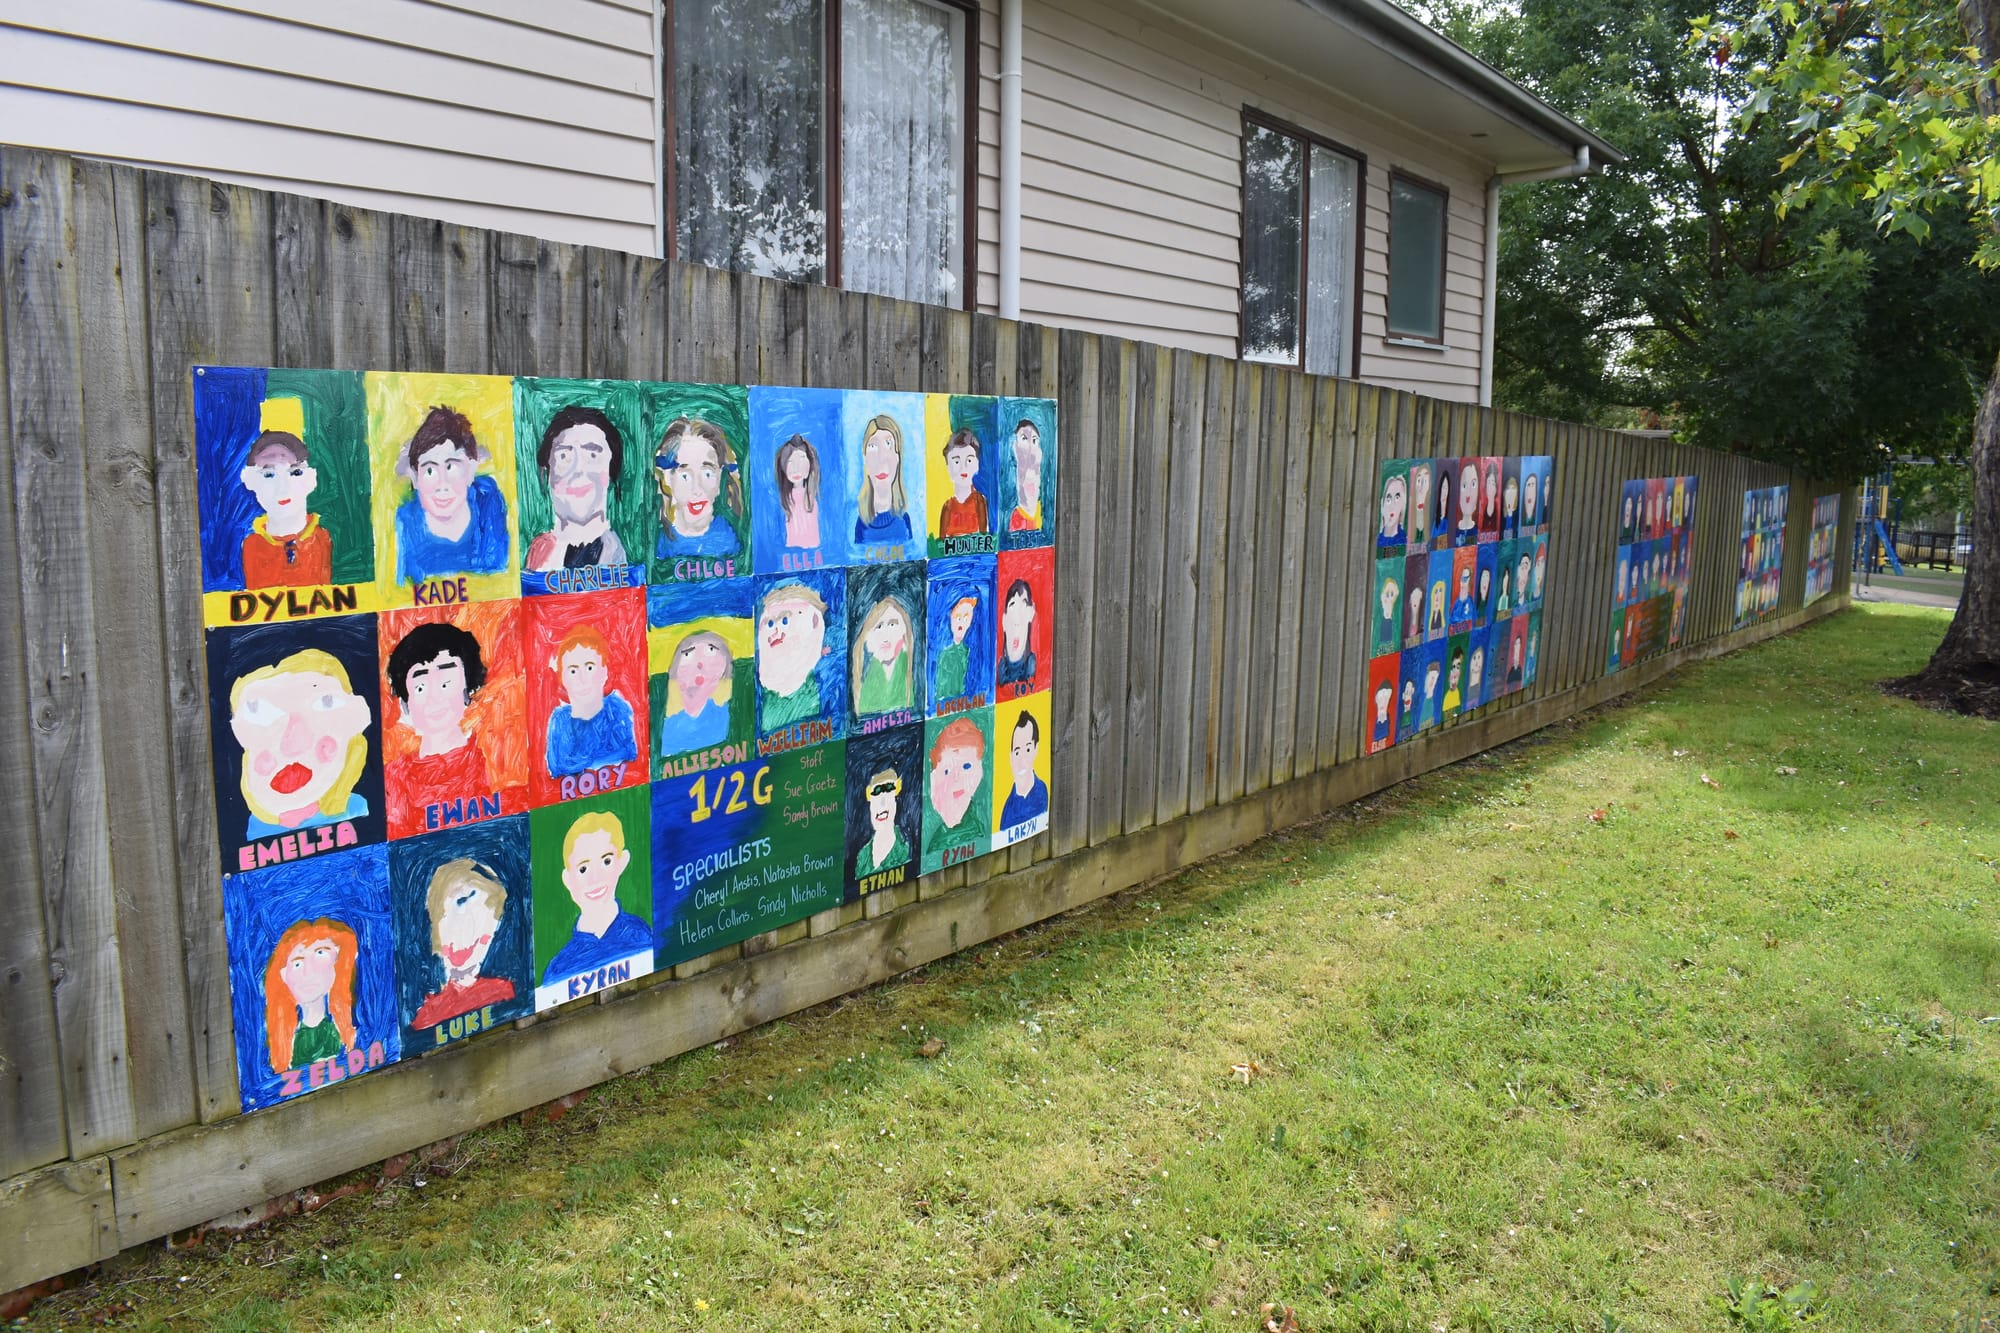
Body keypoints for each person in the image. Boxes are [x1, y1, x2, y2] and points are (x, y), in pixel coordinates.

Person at [230, 648, 372, 839]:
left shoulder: (358, 812)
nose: (293, 745)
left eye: (325, 701)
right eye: (258, 709)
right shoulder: (253, 832)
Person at [395, 406, 510, 584]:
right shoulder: (406, 524)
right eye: (430, 470)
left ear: (470, 470)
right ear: (415, 478)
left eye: (451, 467)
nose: (442, 485)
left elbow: (499, 577)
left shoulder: (488, 500)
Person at [385, 621, 491, 810]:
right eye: (420, 687)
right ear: (405, 703)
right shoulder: (395, 780)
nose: (434, 698)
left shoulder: (489, 765)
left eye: (445, 683)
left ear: (468, 689)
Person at [542, 811, 650, 985]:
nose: (595, 879)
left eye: (606, 862)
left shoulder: (641, 935)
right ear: (567, 879)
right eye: (583, 869)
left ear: (622, 862)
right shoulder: (558, 968)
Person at [411, 859, 516, 1028]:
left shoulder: (503, 992)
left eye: (483, 938)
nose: (464, 943)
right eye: (460, 903)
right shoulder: (427, 1014)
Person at [527, 406, 627, 571]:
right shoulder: (539, 555)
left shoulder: (617, 556)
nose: (578, 469)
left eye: (592, 455)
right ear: (547, 472)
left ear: (611, 469)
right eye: (564, 456)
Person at [238, 416, 333, 588]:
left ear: (311, 478)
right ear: (250, 480)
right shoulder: (252, 546)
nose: (283, 488)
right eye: (269, 475)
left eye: (295, 473)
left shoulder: (324, 539)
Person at [263, 918, 358, 1073]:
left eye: (320, 953)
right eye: (297, 963)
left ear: (338, 961)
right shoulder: (288, 1044)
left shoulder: (348, 1032)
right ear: (284, 975)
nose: (308, 972)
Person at [543, 626, 638, 777]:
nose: (582, 679)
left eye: (589, 668)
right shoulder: (559, 723)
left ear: (604, 671)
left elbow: (629, 758)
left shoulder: (617, 713)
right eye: (573, 671)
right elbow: (557, 771)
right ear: (563, 679)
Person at [655, 417, 744, 559]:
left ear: (720, 475)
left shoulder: (730, 541)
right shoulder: (658, 543)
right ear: (667, 478)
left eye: (707, 474)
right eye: (685, 476)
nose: (697, 489)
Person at [757, 582, 830, 729]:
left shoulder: (826, 681)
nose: (776, 632)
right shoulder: (762, 693)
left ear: (815, 622)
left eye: (785, 621)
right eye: (770, 624)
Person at [655, 629, 733, 757]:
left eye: (711, 651)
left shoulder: (725, 717)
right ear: (675, 674)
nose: (700, 664)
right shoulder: (669, 728)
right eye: (688, 654)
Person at [924, 717, 987, 847]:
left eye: (966, 767)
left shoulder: (976, 829)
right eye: (947, 770)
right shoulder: (937, 833)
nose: (956, 778)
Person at [854, 414, 913, 546]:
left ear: (898, 458)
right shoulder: (861, 525)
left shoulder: (904, 521)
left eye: (888, 444)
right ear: (865, 458)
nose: (882, 458)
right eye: (873, 446)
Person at [853, 596, 916, 715]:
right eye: (879, 627)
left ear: (904, 629)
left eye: (893, 624)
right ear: (866, 637)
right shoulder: (870, 676)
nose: (886, 637)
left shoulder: (907, 671)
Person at [856, 768, 910, 877]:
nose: (882, 802)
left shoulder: (905, 850)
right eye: (876, 792)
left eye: (889, 788)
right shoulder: (863, 855)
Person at [999, 711, 1049, 829]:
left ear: (1036, 749)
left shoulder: (1041, 793)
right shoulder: (1007, 810)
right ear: (1011, 756)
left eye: (1027, 749)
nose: (1022, 759)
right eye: (1017, 752)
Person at [774, 434, 822, 551]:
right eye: (790, 462)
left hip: (811, 549)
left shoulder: (811, 499)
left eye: (801, 460)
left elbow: (813, 535)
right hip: (793, 550)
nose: (796, 468)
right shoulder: (786, 500)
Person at [938, 429, 989, 536]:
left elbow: (985, 539)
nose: (963, 467)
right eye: (956, 461)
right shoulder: (947, 507)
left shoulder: (979, 501)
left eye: (969, 460)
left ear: (976, 464)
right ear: (948, 466)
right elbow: (941, 544)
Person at [933, 595, 977, 700]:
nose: (961, 622)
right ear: (951, 617)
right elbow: (940, 692)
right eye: (958, 617)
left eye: (966, 618)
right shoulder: (944, 655)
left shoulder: (969, 652)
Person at [997, 578, 1037, 687]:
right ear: (1004, 620)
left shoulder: (1031, 666)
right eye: (1012, 604)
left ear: (1031, 612)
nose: (1017, 611)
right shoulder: (1000, 669)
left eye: (1023, 603)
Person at [1008, 419, 1045, 531]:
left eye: (1034, 440)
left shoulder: (1043, 509)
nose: (1030, 446)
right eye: (1024, 438)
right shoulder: (1017, 516)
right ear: (1015, 446)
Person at [1377, 471, 1407, 551]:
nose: (1392, 505)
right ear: (1382, 505)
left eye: (1397, 498)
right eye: (1388, 499)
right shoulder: (1377, 541)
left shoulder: (1404, 542)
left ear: (1402, 505)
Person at [1453, 461, 1480, 545]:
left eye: (1473, 484)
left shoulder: (1478, 532)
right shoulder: (1452, 530)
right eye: (1464, 486)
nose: (1468, 494)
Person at [1407, 461, 1432, 546]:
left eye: (1425, 481)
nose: (1421, 486)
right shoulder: (1410, 515)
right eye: (1418, 481)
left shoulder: (1430, 515)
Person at [1375, 573, 1401, 652]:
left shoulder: (1395, 623)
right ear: (1382, 596)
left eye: (1392, 594)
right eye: (1387, 593)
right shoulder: (1378, 622)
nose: (1389, 598)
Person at [1369, 679, 1394, 750]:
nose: (1383, 702)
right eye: (1381, 698)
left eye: (1386, 698)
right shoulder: (1373, 723)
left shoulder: (1389, 722)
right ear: (1376, 699)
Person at [1442, 647, 1464, 714]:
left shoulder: (1457, 664)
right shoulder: (1456, 663)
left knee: (1452, 709)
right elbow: (1453, 676)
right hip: (1452, 692)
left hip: (1454, 691)